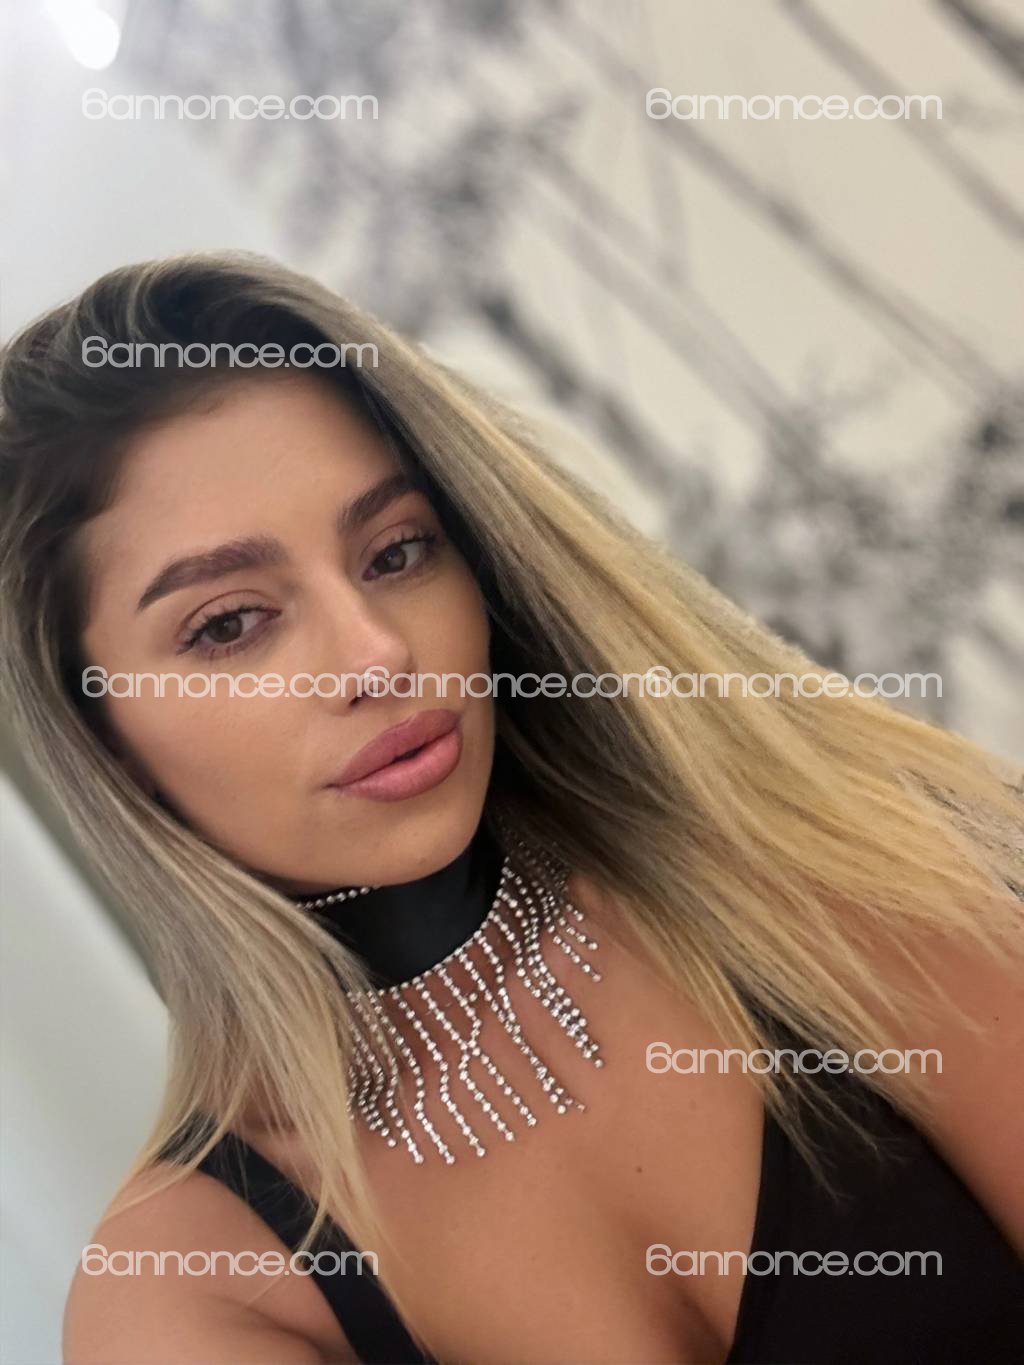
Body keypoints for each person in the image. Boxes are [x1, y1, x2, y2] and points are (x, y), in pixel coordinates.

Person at [1, 251, 1021, 1364]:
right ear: (104, 735)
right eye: (231, 624)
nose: (376, 653)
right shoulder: (188, 1291)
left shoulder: (815, 868)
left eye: (396, 551)